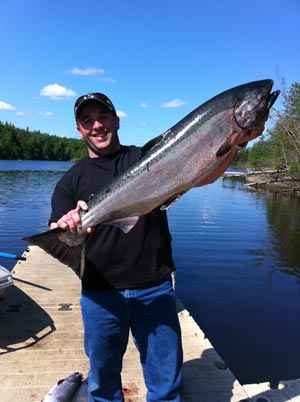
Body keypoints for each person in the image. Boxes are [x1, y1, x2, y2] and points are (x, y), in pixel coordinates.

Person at [49, 92, 264, 402]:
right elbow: (56, 230)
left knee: (166, 388)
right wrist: (67, 224)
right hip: (100, 293)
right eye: (87, 120)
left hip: (154, 286)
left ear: (117, 120)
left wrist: (236, 141)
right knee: (103, 386)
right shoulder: (70, 181)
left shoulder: (145, 157)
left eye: (103, 117)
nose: (96, 125)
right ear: (79, 130)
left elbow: (203, 175)